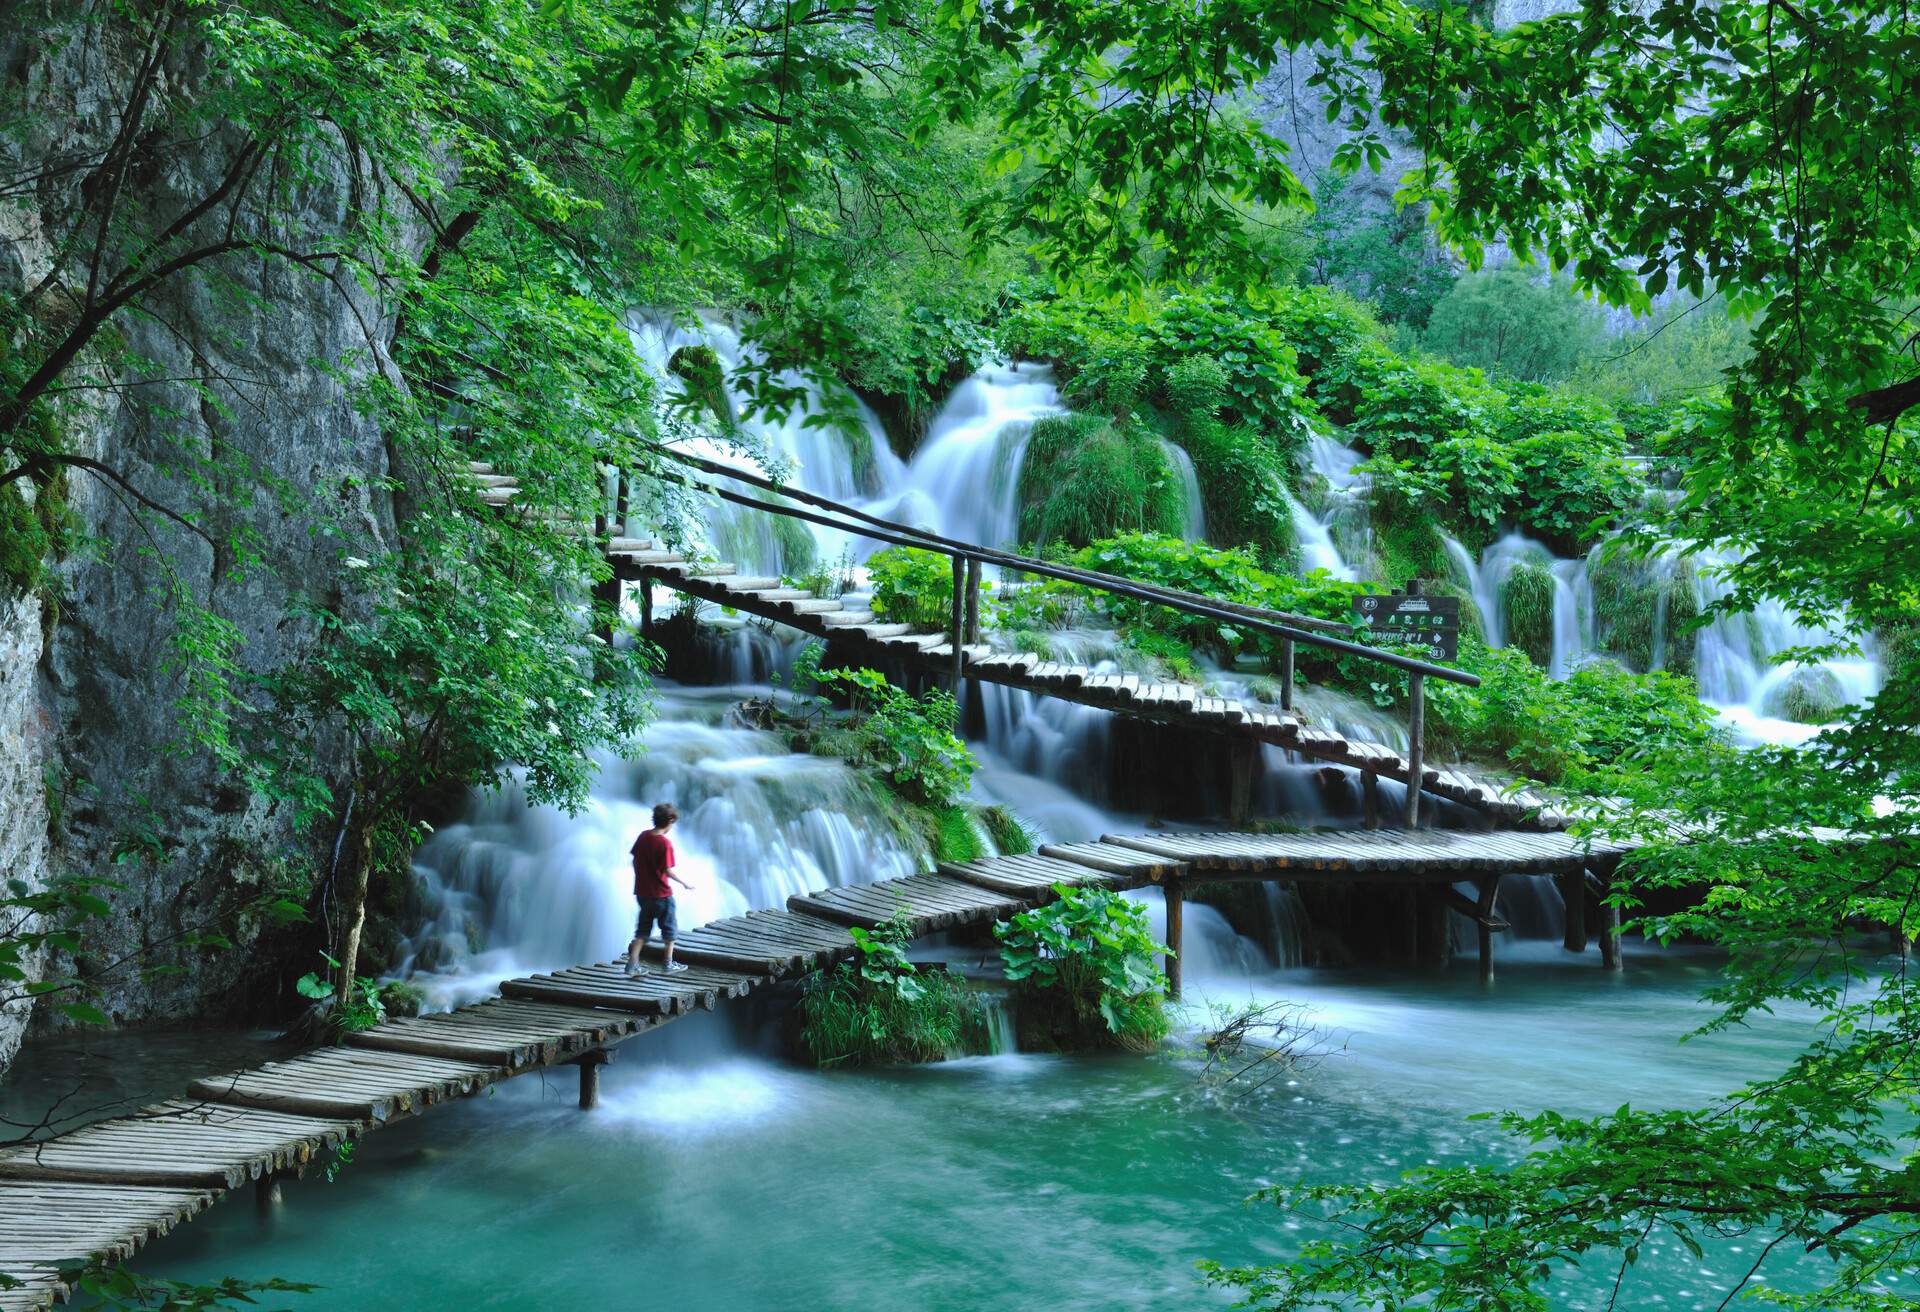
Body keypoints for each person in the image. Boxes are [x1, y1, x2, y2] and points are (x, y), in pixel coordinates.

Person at [625, 802, 692, 976]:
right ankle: (668, 964)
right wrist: (684, 883)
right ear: (670, 820)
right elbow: (667, 870)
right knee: (670, 930)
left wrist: (642, 876)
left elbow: (634, 859)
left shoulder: (643, 836)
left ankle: (632, 964)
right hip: (661, 895)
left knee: (642, 930)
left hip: (642, 893)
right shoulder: (664, 844)